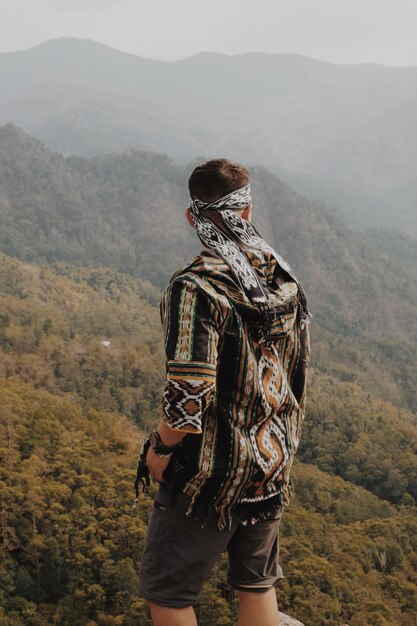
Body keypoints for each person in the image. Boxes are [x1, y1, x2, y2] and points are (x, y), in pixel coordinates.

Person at [134, 158, 311, 626]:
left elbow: (191, 391)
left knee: (168, 594)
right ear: (247, 212)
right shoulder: (282, 279)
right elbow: (295, 376)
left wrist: (158, 449)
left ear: (192, 217)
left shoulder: (196, 287)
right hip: (270, 466)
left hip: (210, 476)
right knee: (256, 584)